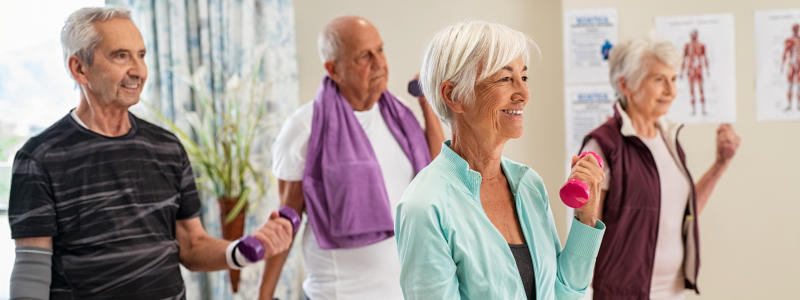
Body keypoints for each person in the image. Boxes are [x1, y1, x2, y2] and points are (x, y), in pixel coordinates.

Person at [8, 7, 293, 300]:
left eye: (141, 55)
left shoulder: (167, 148)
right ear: (79, 68)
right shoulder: (40, 158)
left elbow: (192, 246)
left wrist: (243, 250)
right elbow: (32, 271)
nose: (139, 70)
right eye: (121, 55)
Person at [395, 20, 606, 300]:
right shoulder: (425, 206)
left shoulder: (529, 184)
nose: (524, 95)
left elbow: (564, 293)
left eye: (524, 78)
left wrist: (587, 217)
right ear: (454, 95)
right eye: (505, 78)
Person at [259, 16, 445, 300]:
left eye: (380, 50)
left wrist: (427, 105)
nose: (379, 63)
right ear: (333, 69)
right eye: (364, 56)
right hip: (337, 293)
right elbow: (286, 221)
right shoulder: (304, 128)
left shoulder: (400, 116)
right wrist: (264, 295)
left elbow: (437, 172)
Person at [580, 33, 741, 300]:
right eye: (659, 79)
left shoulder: (669, 140)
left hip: (675, 290)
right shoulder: (602, 146)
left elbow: (685, 212)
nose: (671, 90)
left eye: (674, 79)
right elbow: (585, 230)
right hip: (624, 293)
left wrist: (720, 164)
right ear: (626, 85)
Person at [681, 30, 710, 115]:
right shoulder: (687, 46)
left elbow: (705, 58)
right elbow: (684, 59)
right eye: (692, 36)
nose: (693, 38)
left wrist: (707, 69)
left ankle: (703, 110)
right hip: (690, 70)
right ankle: (694, 110)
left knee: (701, 88)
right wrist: (682, 72)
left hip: (698, 69)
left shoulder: (701, 46)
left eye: (694, 36)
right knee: (692, 89)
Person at [781, 24, 800, 111]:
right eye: (794, 28)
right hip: (792, 64)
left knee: (799, 85)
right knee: (790, 85)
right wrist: (782, 65)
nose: (796, 30)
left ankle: (799, 105)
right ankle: (789, 105)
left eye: (797, 28)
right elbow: (785, 53)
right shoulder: (789, 40)